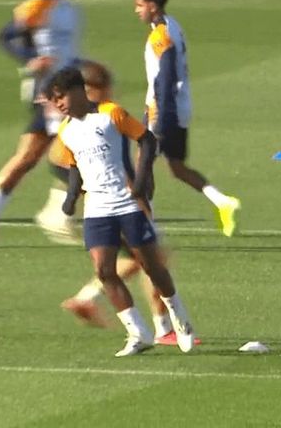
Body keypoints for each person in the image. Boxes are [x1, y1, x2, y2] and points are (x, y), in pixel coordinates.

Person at [46, 67, 196, 356]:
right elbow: (74, 165)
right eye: (55, 100)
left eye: (60, 97)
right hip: (97, 209)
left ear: (77, 90)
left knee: (151, 266)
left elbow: (147, 140)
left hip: (126, 203)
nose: (58, 104)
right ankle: (138, 333)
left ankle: (180, 318)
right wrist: (70, 199)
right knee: (104, 271)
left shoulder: (110, 114)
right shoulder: (67, 129)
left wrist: (139, 185)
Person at [0, 0, 82, 249]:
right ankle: (56, 212)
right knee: (81, 148)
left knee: (28, 156)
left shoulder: (67, 8)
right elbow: (5, 37)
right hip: (51, 91)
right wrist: (31, 59)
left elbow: (65, 50)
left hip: (66, 87)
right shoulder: (37, 7)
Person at [132, 0, 241, 237]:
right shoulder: (174, 25)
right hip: (181, 107)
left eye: (139, 5)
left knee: (142, 165)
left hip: (163, 109)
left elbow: (167, 75)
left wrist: (159, 119)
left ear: (153, 6)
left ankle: (147, 228)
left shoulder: (160, 35)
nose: (136, 10)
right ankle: (221, 201)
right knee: (177, 167)